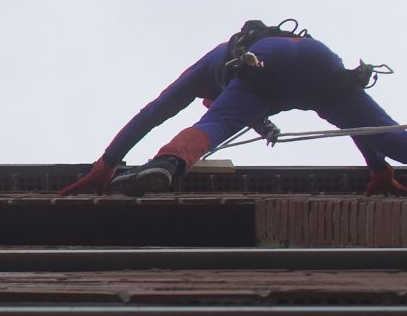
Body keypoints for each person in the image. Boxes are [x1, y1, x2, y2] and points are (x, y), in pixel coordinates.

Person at [59, 19, 407, 197]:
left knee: (214, 126)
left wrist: (107, 164)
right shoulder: (252, 96)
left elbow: (152, 113)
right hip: (320, 61)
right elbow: (359, 128)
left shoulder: (212, 68)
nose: (216, 103)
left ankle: (168, 162)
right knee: (392, 139)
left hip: (268, 65)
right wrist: (378, 167)